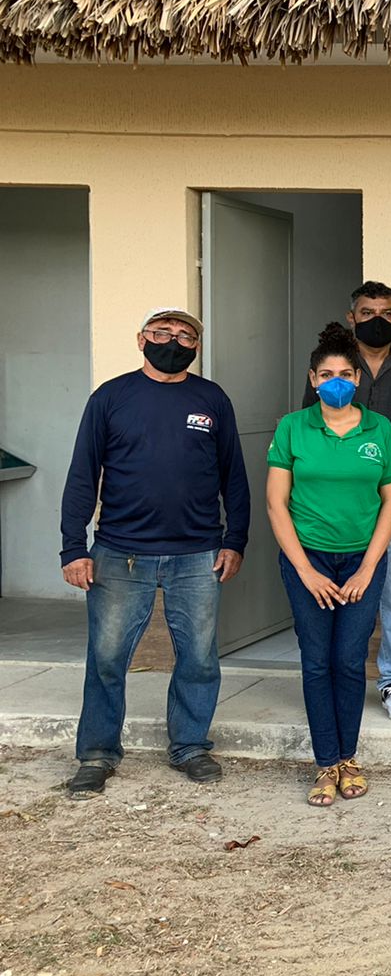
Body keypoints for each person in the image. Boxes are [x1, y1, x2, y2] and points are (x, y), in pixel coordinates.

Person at [58, 308, 251, 799]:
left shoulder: (212, 399)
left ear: (197, 347)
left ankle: (189, 746)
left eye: (186, 335)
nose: (174, 340)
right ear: (140, 339)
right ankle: (97, 755)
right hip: (119, 554)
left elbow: (234, 476)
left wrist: (235, 540)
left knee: (200, 657)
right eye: (163, 333)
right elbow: (83, 474)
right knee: (106, 658)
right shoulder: (111, 397)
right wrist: (73, 548)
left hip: (198, 554)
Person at [267, 322, 391, 806]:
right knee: (315, 661)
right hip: (308, 560)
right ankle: (326, 763)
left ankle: (349, 758)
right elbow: (276, 504)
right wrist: (306, 570)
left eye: (346, 372)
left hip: (362, 561)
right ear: (313, 379)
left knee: (348, 660)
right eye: (327, 373)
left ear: (358, 379)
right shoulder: (291, 427)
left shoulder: (379, 429)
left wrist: (368, 567)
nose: (337, 381)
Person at [301, 280, 391, 722]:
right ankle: (342, 679)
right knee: (339, 595)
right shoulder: (333, 369)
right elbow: (309, 429)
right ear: (352, 317)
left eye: (387, 312)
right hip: (336, 510)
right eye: (367, 312)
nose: (377, 319)